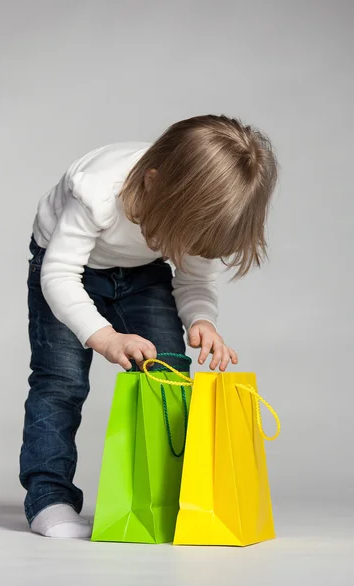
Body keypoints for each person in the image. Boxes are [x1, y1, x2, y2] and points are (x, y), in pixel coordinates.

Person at [19, 115, 278, 538]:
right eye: (188, 239)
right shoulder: (97, 191)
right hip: (67, 269)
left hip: (142, 272)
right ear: (154, 183)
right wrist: (105, 337)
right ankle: (49, 497)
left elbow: (194, 281)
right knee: (60, 383)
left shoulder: (195, 206)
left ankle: (164, 494)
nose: (192, 247)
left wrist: (202, 321)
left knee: (171, 373)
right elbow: (58, 276)